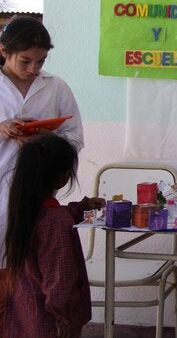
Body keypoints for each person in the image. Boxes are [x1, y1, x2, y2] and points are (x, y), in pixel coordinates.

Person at [0, 16, 84, 270]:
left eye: (41, 61)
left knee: (32, 272)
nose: (33, 69)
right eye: (25, 61)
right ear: (4, 51)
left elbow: (75, 138)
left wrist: (45, 140)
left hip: (39, 195)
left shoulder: (56, 87)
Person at [2, 134, 103, 337]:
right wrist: (64, 318)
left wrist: (80, 209)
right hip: (50, 322)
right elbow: (60, 278)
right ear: (64, 177)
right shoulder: (56, 222)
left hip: (24, 311)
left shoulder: (24, 208)